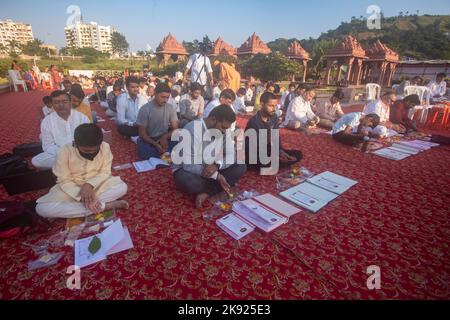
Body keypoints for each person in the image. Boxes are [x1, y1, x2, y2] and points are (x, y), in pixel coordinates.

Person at [35, 124, 128, 219]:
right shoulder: (63, 152)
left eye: (95, 150)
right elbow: (64, 180)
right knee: (42, 209)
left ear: (100, 143)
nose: (91, 153)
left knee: (122, 188)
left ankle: (83, 208)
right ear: (75, 144)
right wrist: (82, 197)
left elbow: (105, 172)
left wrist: (89, 185)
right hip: (71, 188)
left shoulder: (105, 147)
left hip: (98, 184)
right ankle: (105, 206)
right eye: (86, 151)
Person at [172, 105, 246, 208]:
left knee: (240, 166)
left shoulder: (224, 131)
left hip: (211, 167)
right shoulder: (192, 129)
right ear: (213, 119)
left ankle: (207, 192)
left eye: (226, 128)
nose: (224, 131)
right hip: (188, 169)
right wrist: (217, 176)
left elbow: (231, 154)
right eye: (223, 127)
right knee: (190, 182)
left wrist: (217, 165)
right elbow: (189, 165)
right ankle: (217, 188)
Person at [245, 92, 302, 172]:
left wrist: (280, 151)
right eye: (271, 106)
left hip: (269, 150)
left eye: (275, 106)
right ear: (262, 104)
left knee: (298, 154)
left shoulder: (274, 117)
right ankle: (279, 163)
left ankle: (280, 162)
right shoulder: (254, 122)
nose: (274, 109)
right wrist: (275, 155)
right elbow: (252, 149)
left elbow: (275, 137)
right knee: (267, 162)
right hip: (255, 154)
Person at [32, 91, 90, 169]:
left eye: (64, 102)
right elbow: (48, 146)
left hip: (79, 152)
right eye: (56, 102)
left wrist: (78, 151)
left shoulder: (82, 117)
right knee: (36, 161)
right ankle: (75, 164)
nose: (61, 105)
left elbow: (88, 139)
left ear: (70, 103)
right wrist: (65, 153)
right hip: (59, 153)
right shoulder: (47, 121)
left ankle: (68, 165)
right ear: (52, 104)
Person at [136, 83, 179, 159]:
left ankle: (163, 154)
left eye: (167, 97)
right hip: (149, 140)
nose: (165, 100)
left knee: (182, 141)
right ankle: (163, 153)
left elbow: (175, 128)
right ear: (155, 94)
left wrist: (164, 137)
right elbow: (142, 133)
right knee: (144, 151)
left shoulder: (170, 108)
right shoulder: (145, 109)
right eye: (162, 97)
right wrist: (155, 144)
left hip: (164, 137)